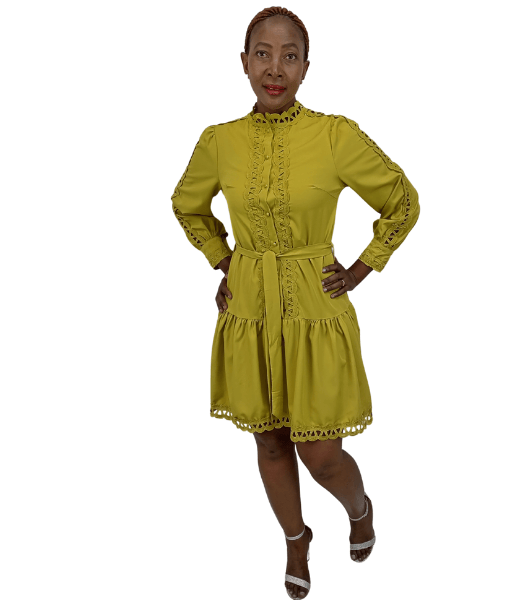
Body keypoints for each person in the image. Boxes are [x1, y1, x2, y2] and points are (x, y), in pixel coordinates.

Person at [170, 6, 420, 599]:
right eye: (262, 54)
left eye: (289, 56)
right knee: (269, 440)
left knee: (321, 453)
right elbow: (186, 204)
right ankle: (295, 539)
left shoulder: (335, 135)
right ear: (243, 63)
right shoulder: (219, 141)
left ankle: (359, 508)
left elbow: (403, 201)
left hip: (315, 312)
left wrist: (360, 269)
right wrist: (226, 260)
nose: (274, 69)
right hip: (250, 314)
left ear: (307, 67)